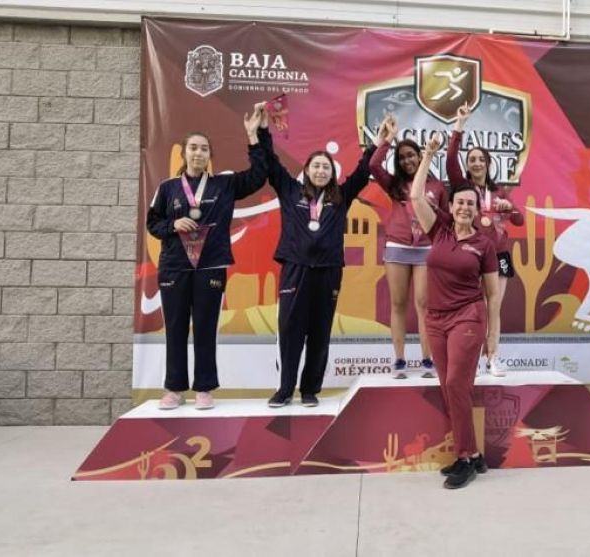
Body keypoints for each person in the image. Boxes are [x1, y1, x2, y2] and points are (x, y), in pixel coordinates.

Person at [146, 102, 271, 411]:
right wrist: (172, 225)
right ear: (185, 153)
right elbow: (152, 223)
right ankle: (174, 389)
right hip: (175, 266)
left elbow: (258, 176)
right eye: (193, 148)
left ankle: (204, 388)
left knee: (205, 326)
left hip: (211, 265)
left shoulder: (224, 185)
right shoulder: (168, 188)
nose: (198, 153)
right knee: (175, 327)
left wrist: (253, 136)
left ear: (209, 155)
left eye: (203, 149)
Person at [262, 118, 381, 408]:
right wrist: (262, 131)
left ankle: (309, 389)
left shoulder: (340, 197)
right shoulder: (290, 191)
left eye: (326, 167)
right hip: (295, 270)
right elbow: (270, 162)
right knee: (290, 332)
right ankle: (284, 389)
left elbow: (364, 172)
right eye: (315, 166)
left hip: (328, 273)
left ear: (332, 173)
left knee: (319, 331)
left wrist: (378, 144)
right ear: (306, 170)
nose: (320, 170)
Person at [410, 133, 501, 489]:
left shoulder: (485, 244)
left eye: (470, 204)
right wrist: (428, 155)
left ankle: (463, 457)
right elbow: (416, 196)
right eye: (459, 202)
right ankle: (475, 455)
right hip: (435, 319)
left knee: (455, 384)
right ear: (452, 207)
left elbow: (492, 295)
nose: (464, 207)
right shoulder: (440, 231)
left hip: (468, 316)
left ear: (478, 212)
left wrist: (493, 336)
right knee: (452, 391)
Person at [447, 104, 525, 377]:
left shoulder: (499, 190)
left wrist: (509, 207)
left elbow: (519, 221)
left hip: (499, 255)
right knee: (471, 308)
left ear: (489, 164)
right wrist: (459, 128)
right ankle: (471, 359)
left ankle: (492, 358)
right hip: (470, 254)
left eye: (481, 159)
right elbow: (450, 160)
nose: (476, 163)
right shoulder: (462, 189)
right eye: (472, 159)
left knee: (493, 306)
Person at [370, 114, 445, 379]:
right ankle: (399, 361)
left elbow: (445, 220)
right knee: (398, 303)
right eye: (402, 157)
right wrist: (387, 140)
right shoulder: (394, 185)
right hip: (398, 248)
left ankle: (428, 360)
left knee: (424, 305)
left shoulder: (437, 186)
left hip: (426, 250)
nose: (407, 160)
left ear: (420, 155)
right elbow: (374, 164)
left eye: (411, 155)